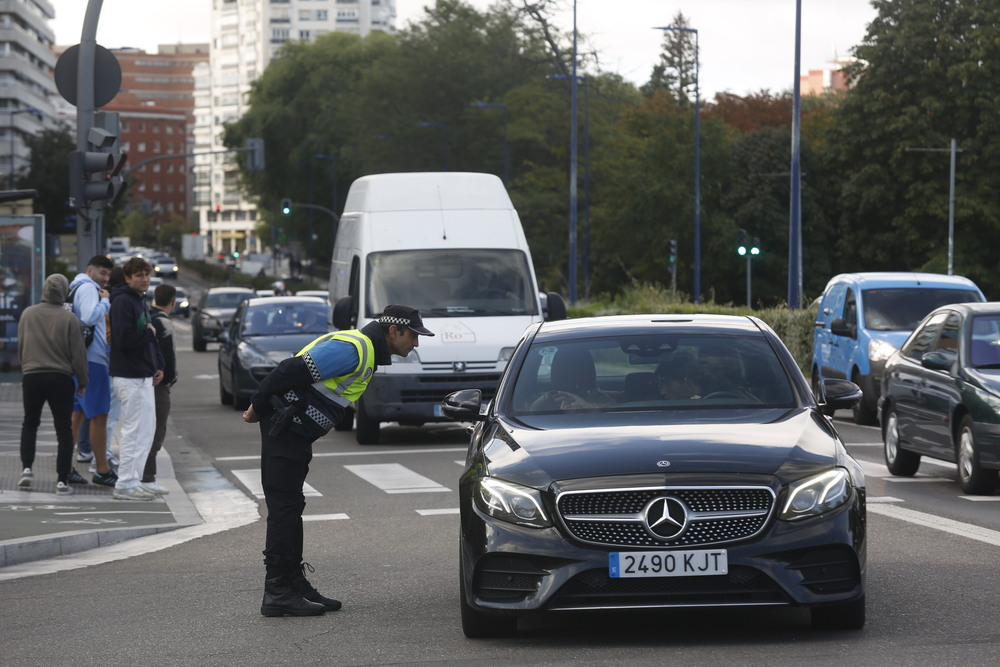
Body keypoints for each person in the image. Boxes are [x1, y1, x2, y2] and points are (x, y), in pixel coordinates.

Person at [242, 304, 434, 617]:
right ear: (394, 331)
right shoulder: (354, 349)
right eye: (413, 335)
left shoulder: (364, 351)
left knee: (292, 507)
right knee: (284, 510)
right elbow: (288, 370)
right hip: (285, 425)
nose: (416, 344)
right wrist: (257, 406)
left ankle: (292, 583)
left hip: (295, 430)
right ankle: (277, 590)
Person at [18, 274, 89, 496]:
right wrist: (83, 380)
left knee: (30, 423)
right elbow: (77, 355)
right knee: (63, 431)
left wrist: (27, 368)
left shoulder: (28, 314)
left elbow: (22, 345)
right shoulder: (69, 319)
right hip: (60, 378)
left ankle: (27, 469)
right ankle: (61, 481)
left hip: (32, 376)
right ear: (64, 292)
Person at [108, 257, 164, 501]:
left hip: (142, 374)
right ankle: (125, 484)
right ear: (128, 278)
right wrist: (147, 333)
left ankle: (136, 479)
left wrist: (156, 365)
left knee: (146, 430)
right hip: (128, 375)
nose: (145, 279)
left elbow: (146, 339)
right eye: (139, 275)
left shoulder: (140, 300)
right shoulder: (122, 302)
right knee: (132, 430)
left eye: (147, 275)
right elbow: (123, 339)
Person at [68, 254, 118, 487]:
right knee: (99, 416)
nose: (105, 279)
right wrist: (106, 301)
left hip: (78, 360)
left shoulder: (75, 288)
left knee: (76, 417)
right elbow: (88, 317)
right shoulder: (89, 289)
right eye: (102, 273)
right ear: (90, 271)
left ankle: (65, 466)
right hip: (93, 361)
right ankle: (102, 469)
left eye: (108, 274)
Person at [143, 283, 178, 494]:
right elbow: (169, 358)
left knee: (145, 429)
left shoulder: (148, 317)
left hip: (144, 380)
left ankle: (145, 474)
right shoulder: (164, 323)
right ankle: (148, 476)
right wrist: (169, 379)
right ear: (172, 301)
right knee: (156, 431)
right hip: (159, 384)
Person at [530, 348, 613, 410]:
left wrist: (589, 406)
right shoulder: (544, 404)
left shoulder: (600, 400)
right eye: (566, 374)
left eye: (580, 373)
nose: (575, 385)